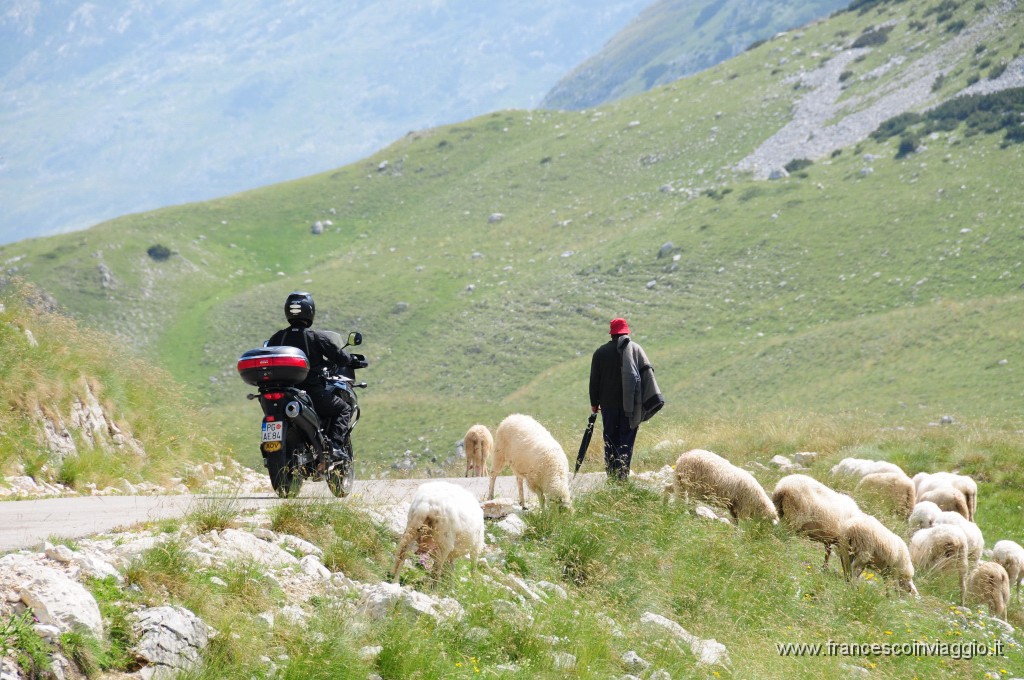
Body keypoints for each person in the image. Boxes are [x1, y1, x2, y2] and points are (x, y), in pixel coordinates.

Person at [267, 291, 353, 463]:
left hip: (281, 393)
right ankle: (335, 447)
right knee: (343, 409)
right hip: (312, 393)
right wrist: (351, 359)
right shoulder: (315, 337)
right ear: (310, 311)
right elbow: (340, 357)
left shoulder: (277, 337)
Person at [589, 317, 662, 481]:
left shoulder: (600, 353)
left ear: (611, 334)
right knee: (626, 441)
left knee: (610, 441)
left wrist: (594, 404)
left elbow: (594, 382)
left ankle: (612, 477)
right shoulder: (635, 349)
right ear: (626, 331)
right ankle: (622, 477)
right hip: (630, 407)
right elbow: (647, 376)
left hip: (608, 407)